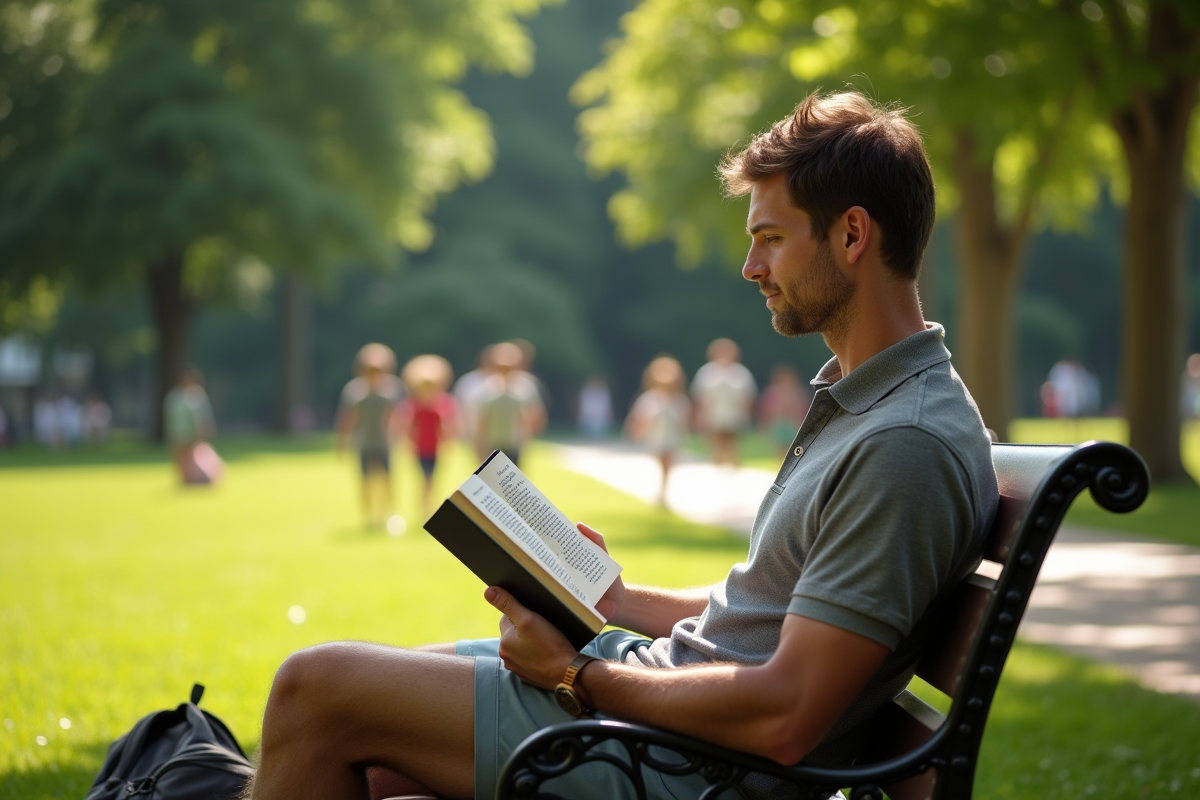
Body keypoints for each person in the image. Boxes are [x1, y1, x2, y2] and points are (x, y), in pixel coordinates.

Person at [244, 91, 999, 800]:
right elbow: (769, 616)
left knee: (315, 690)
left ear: (853, 235)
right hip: (666, 718)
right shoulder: (876, 403)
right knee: (371, 750)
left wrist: (575, 676)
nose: (751, 268)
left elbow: (786, 713)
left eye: (770, 238)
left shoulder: (903, 440)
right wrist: (615, 600)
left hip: (685, 765)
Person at [335, 343, 404, 530]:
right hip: (364, 444)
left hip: (385, 444)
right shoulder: (354, 391)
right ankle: (369, 518)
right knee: (365, 481)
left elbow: (399, 415)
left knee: (388, 480)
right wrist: (342, 442)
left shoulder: (393, 389)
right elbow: (347, 418)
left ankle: (389, 514)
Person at [398, 354, 461, 519]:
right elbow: (409, 428)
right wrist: (408, 445)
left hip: (435, 448)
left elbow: (446, 427)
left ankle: (429, 507)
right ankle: (424, 509)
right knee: (424, 479)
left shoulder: (442, 405)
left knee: (432, 479)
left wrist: (448, 443)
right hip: (420, 448)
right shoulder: (414, 406)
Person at [625, 356, 691, 506]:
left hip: (671, 438)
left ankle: (663, 491)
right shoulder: (649, 399)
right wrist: (635, 434)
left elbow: (684, 421)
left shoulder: (679, 400)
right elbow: (639, 420)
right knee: (658, 462)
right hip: (654, 438)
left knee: (668, 463)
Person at [473, 341, 546, 468]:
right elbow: (482, 422)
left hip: (515, 444)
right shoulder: (486, 388)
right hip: (492, 444)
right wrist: (479, 447)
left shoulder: (526, 386)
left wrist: (528, 436)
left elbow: (536, 415)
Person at [691, 337, 757, 466]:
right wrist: (698, 418)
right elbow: (699, 398)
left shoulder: (741, 373)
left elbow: (748, 398)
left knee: (733, 449)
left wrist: (747, 416)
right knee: (716, 449)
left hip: (735, 416)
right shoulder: (706, 373)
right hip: (712, 417)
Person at [163, 368, 222, 485]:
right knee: (180, 462)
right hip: (178, 434)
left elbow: (202, 417)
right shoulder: (173, 397)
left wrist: (204, 432)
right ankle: (184, 481)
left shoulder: (197, 395)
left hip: (192, 435)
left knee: (192, 459)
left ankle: (193, 480)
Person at [758, 363, 812, 457]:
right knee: (780, 448)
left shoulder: (798, 392)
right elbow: (766, 411)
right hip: (778, 424)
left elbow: (805, 410)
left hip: (794, 424)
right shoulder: (772, 392)